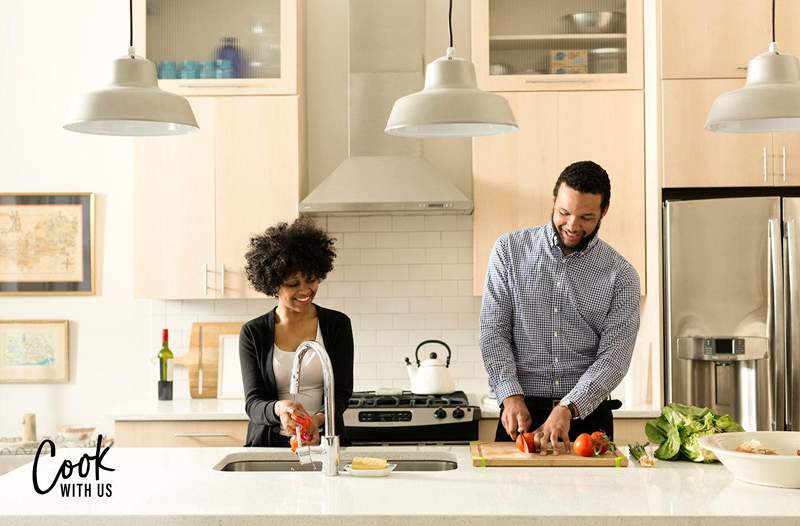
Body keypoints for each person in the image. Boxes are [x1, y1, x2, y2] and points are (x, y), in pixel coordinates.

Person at [479, 160, 640, 454]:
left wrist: (568, 406)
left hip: (586, 420)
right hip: (521, 416)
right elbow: (493, 331)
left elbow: (614, 358)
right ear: (554, 201)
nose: (573, 225)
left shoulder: (621, 275)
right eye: (564, 213)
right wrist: (510, 395)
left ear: (604, 211)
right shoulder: (509, 251)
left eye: (587, 217)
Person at [239, 217, 354, 447]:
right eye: (293, 283)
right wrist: (280, 408)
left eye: (311, 280)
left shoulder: (337, 325)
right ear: (274, 284)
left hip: (324, 441)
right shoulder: (253, 333)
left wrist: (316, 420)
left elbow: (341, 394)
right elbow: (253, 403)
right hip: (269, 445)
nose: (305, 290)